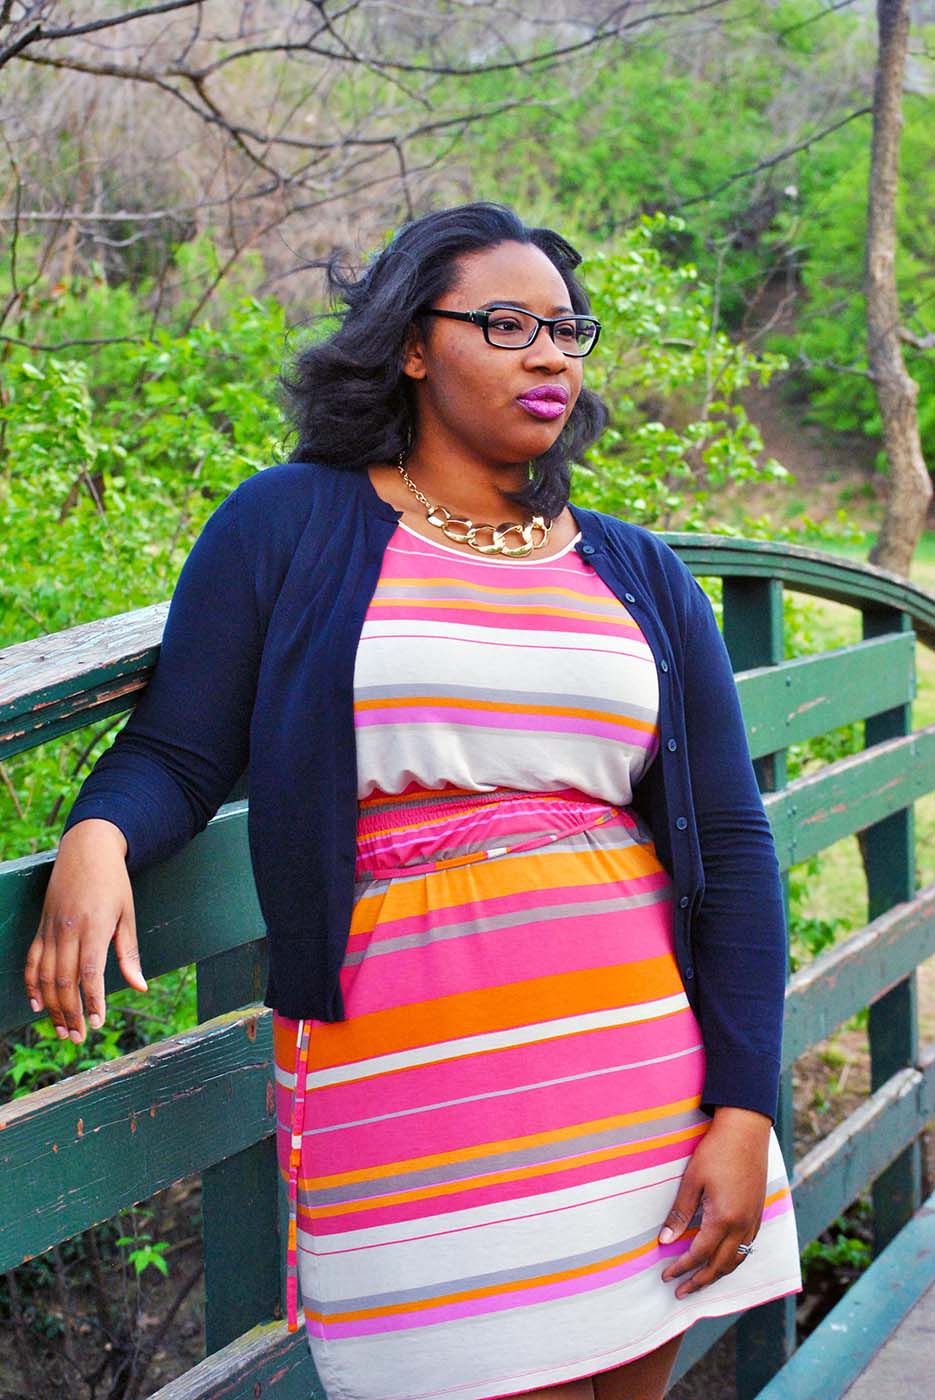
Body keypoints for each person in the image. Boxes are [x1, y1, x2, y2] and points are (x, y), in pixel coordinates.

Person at [24, 203, 801, 1400]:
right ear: (410, 345)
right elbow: (179, 749)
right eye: (507, 324)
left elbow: (734, 846)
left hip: (640, 1072)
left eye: (567, 331)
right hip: (412, 1076)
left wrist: (745, 1105)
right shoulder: (288, 523)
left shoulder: (636, 571)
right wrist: (98, 834)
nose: (549, 355)